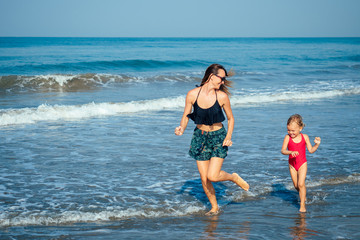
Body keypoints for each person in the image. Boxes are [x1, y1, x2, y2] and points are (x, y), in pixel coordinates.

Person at [175, 63, 249, 216]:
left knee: (213, 176)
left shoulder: (222, 96)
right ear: (211, 76)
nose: (222, 82)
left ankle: (233, 177)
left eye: (223, 80)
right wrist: (181, 127)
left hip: (218, 137)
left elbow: (231, 118)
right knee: (204, 178)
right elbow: (185, 116)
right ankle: (214, 207)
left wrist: (228, 136)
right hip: (200, 138)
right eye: (221, 79)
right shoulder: (192, 94)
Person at [281, 114, 321, 212]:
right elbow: (283, 150)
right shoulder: (287, 138)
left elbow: (311, 150)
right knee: (296, 185)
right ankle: (303, 195)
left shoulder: (305, 137)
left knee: (301, 184)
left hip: (302, 163)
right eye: (288, 130)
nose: (290, 132)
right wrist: (290, 152)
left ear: (300, 128)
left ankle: (302, 205)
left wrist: (316, 144)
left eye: (293, 130)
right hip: (292, 165)